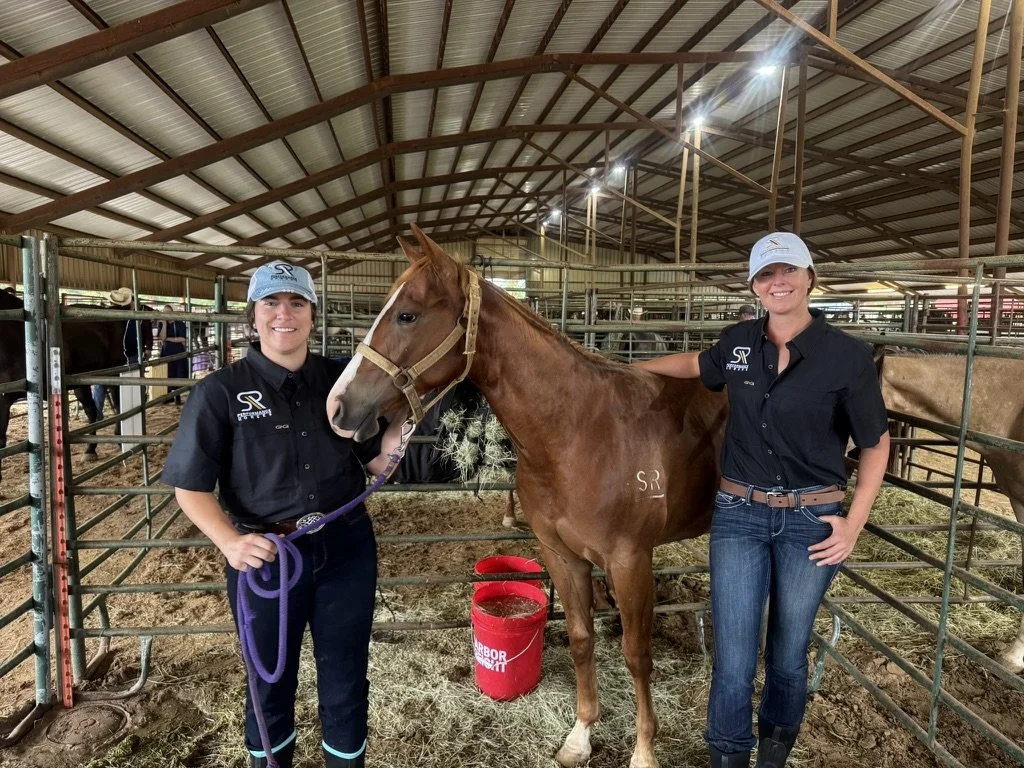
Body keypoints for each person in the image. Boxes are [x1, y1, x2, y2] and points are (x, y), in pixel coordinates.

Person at [636, 232, 890, 767]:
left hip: (812, 521)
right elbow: (697, 366)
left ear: (809, 278)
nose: (778, 283)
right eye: (767, 275)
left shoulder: (846, 357)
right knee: (732, 657)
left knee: (788, 654)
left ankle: (774, 753)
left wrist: (853, 523)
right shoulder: (738, 342)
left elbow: (875, 443)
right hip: (739, 515)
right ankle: (728, 756)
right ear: (754, 285)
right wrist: (628, 371)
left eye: (788, 272)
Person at [162, 261, 406, 768]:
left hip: (346, 550)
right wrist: (229, 543)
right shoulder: (220, 392)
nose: (283, 314)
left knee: (345, 673)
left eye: (296, 303)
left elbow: (378, 460)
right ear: (254, 315)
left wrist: (404, 417)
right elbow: (190, 487)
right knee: (269, 680)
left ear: (312, 315)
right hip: (267, 559)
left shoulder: (341, 382)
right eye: (271, 303)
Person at [92, 287, 142, 419]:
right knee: (125, 385)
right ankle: (124, 413)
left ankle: (97, 412)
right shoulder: (131, 317)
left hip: (103, 357)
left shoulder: (104, 315)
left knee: (99, 385)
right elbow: (132, 338)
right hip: (125, 356)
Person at [157, 305, 188, 405]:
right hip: (166, 351)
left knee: (178, 373)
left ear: (173, 312)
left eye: (168, 312)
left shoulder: (180, 324)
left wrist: (169, 339)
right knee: (167, 373)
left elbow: (183, 338)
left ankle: (177, 395)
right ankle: (168, 396)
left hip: (178, 351)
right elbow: (162, 338)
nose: (166, 314)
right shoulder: (162, 325)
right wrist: (165, 324)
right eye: (164, 312)